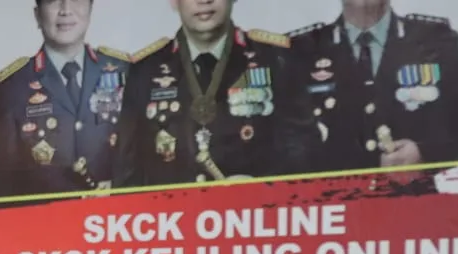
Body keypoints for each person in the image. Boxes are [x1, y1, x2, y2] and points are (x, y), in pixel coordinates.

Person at [114, 0, 318, 187]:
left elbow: (307, 157)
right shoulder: (144, 71)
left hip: (252, 212)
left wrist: (263, 188)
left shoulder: (276, 60)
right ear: (174, 2)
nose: (204, 1)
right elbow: (127, 175)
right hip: (172, 213)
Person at [289, 2, 458, 180]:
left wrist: (423, 155)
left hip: (411, 198)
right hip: (332, 199)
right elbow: (283, 143)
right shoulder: (300, 50)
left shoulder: (435, 40)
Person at [0, 0, 131, 206]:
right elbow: (1, 190)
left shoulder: (125, 71)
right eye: (54, 1)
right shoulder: (13, 86)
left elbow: (144, 161)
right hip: (46, 223)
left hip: (115, 219)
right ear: (37, 15)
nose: (66, 10)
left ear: (90, 9)